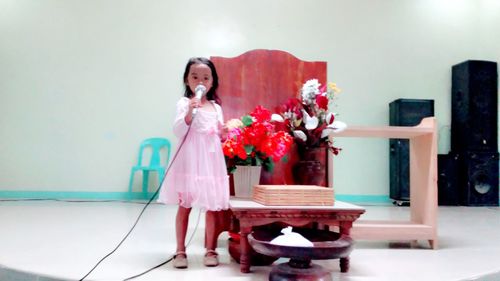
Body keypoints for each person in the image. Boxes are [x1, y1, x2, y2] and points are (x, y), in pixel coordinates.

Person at [158, 57, 229, 269]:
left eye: (206, 77)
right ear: (187, 80)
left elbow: (220, 133)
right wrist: (190, 110)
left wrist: (224, 132)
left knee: (211, 207)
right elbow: (179, 130)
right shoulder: (184, 103)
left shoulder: (216, 107)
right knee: (185, 204)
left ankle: (211, 249)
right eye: (195, 76)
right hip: (189, 160)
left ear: (213, 81)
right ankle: (180, 250)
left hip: (210, 161)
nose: (201, 81)